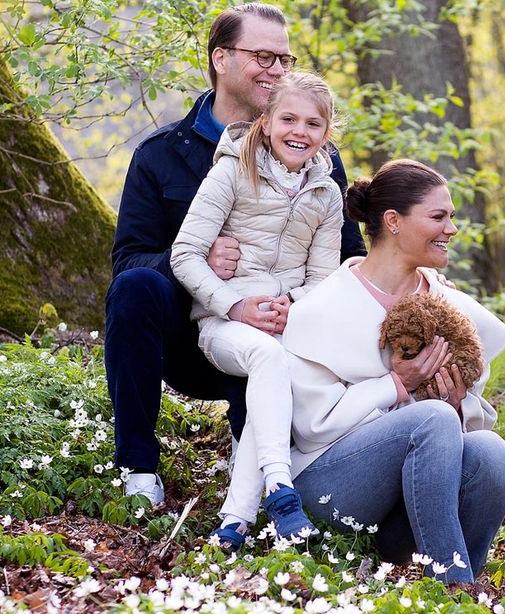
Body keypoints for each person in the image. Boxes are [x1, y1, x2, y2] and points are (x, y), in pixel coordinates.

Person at [105, 3, 366, 505]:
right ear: (220, 58)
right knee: (135, 287)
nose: (275, 70)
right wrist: (206, 263)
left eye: (284, 60)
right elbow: (130, 259)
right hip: (192, 332)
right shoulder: (160, 154)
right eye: (262, 56)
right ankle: (139, 468)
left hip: (281, 330)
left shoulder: (317, 160)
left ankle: (266, 459)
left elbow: (345, 256)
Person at [281, 159, 505, 585]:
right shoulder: (324, 306)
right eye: (438, 217)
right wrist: (395, 386)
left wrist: (457, 403)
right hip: (331, 488)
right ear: (393, 221)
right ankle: (456, 589)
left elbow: (463, 421)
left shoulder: (448, 304)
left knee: (493, 453)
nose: (452, 229)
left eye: (452, 217)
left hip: (408, 506)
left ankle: (453, 575)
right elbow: (311, 428)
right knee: (433, 419)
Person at [171, 71, 342, 546]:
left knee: (279, 375)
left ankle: (233, 522)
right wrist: (236, 306)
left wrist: (295, 303)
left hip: (285, 327)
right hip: (225, 326)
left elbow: (323, 278)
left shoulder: (326, 195)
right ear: (265, 122)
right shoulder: (231, 170)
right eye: (288, 118)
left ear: (326, 134)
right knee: (269, 359)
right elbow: (184, 254)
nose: (299, 132)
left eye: (312, 124)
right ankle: (280, 488)